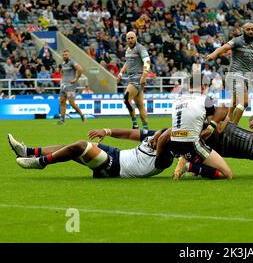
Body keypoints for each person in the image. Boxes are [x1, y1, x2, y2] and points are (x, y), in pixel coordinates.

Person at [8, 128, 170, 178]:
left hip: (114, 168)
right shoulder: (155, 136)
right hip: (115, 154)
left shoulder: (165, 158)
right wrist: (106, 131)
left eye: (156, 140)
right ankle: (28, 151)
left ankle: (40, 162)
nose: (152, 140)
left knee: (80, 146)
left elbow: (164, 143)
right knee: (70, 148)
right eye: (154, 137)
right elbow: (128, 134)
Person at [157, 85, 233, 180]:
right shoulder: (205, 99)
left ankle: (190, 162)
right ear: (203, 87)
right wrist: (226, 119)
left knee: (203, 147)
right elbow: (217, 130)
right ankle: (189, 166)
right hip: (191, 144)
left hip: (175, 143)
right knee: (227, 175)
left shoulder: (178, 100)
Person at [205, 22, 253, 124]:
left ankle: (224, 127)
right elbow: (224, 48)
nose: (250, 31)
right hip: (235, 74)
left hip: (247, 77)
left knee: (234, 105)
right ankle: (234, 127)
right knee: (244, 102)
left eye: (252, 29)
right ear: (243, 31)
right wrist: (213, 54)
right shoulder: (237, 41)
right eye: (248, 29)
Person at [117, 31, 150, 130]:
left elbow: (147, 61)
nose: (130, 40)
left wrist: (144, 76)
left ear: (136, 38)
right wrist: (121, 72)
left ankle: (135, 125)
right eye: (128, 38)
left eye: (132, 38)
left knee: (126, 99)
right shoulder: (128, 50)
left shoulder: (140, 48)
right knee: (140, 105)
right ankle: (146, 129)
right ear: (126, 40)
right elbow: (128, 62)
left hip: (137, 78)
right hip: (131, 78)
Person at [57, 49, 85, 125]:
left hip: (70, 86)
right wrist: (62, 81)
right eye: (63, 55)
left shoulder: (72, 62)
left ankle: (82, 115)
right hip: (63, 86)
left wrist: (76, 79)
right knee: (62, 102)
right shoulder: (62, 63)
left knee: (71, 103)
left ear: (69, 55)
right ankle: (62, 120)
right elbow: (62, 73)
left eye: (66, 55)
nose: (64, 56)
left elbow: (80, 69)